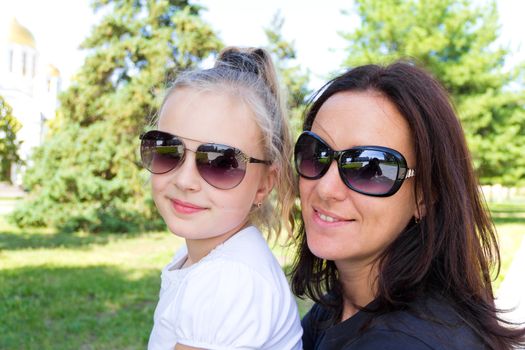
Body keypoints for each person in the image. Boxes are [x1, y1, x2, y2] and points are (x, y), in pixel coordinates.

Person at [291, 62, 525, 349]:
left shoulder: (405, 341)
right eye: (317, 153)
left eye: (369, 167)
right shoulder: (343, 304)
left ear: (425, 196)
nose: (326, 189)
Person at [141, 47, 302, 350]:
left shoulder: (228, 280)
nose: (185, 180)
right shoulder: (211, 258)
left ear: (264, 184)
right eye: (166, 150)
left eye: (220, 162)